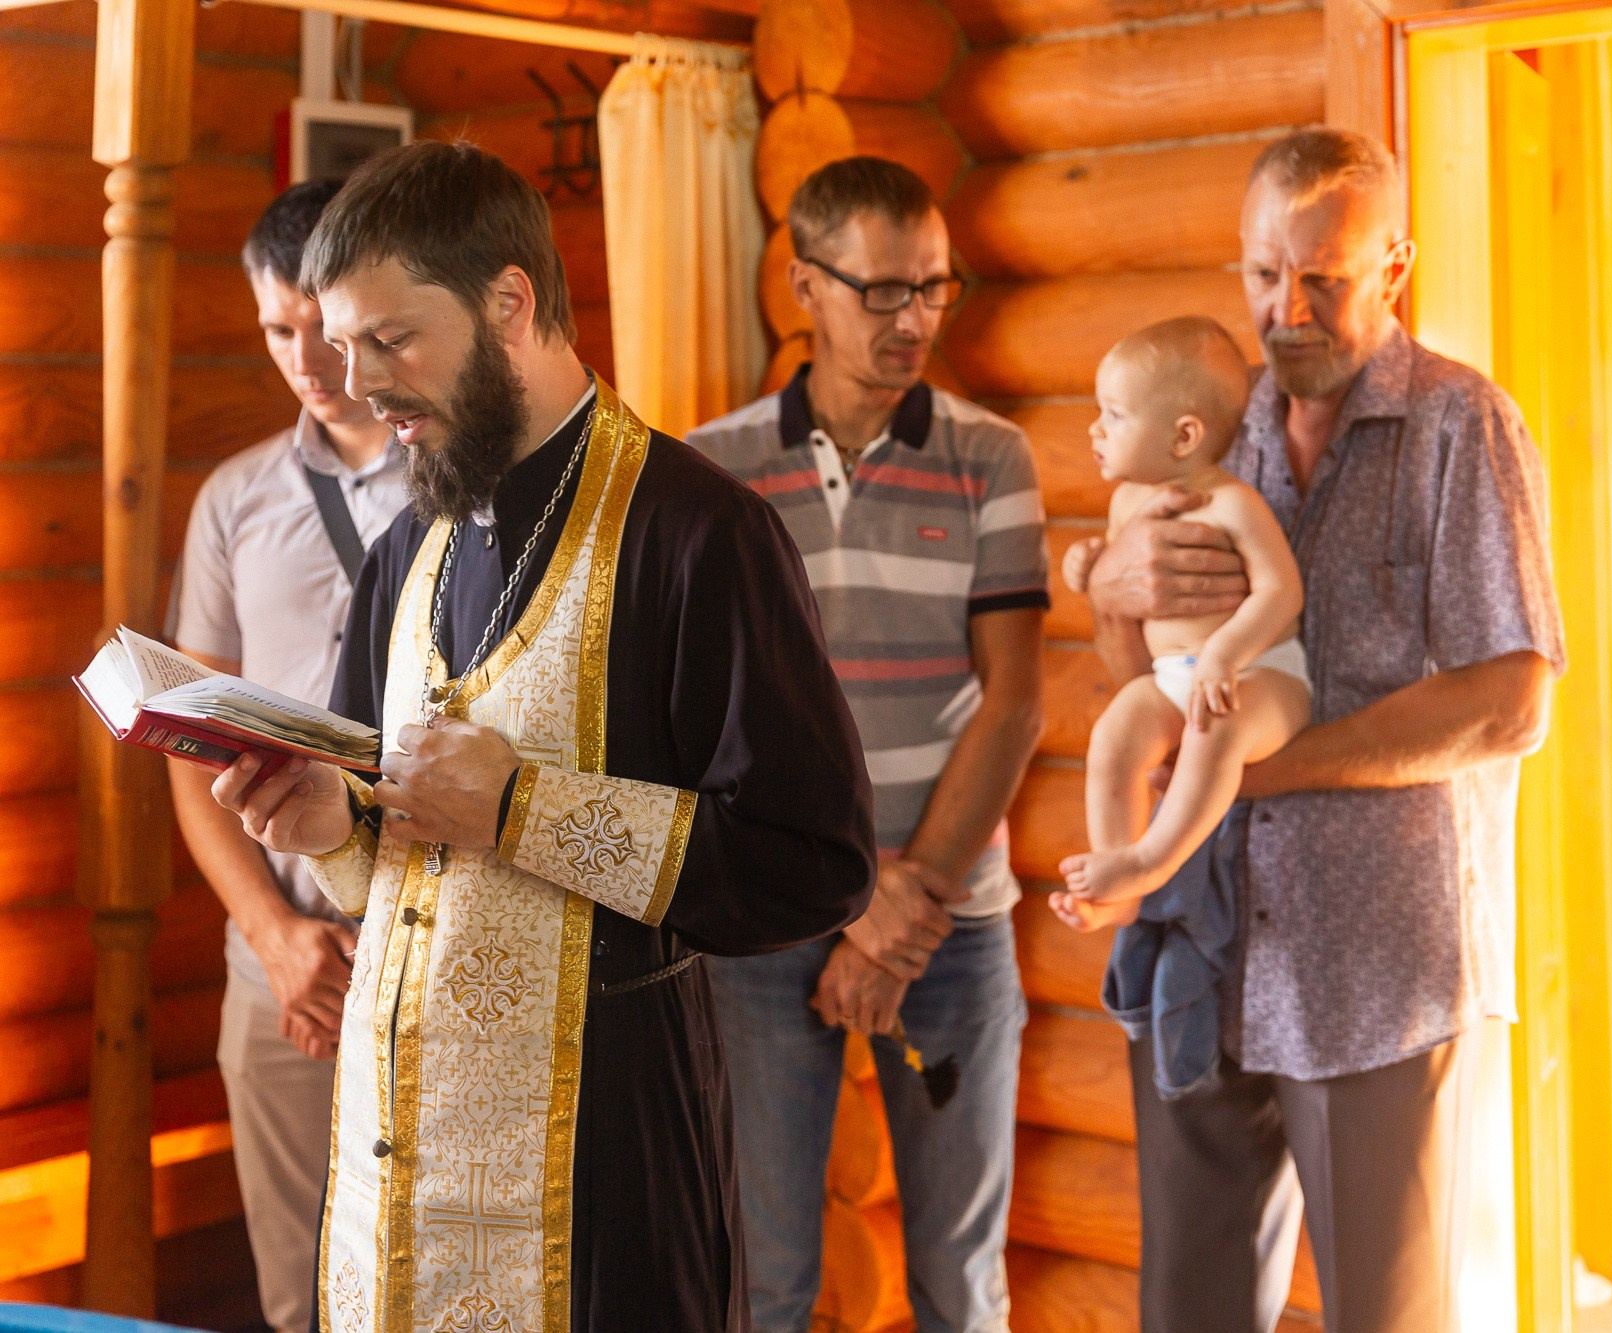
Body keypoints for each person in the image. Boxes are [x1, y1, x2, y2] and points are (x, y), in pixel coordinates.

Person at [207, 140, 876, 1332]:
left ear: (509, 301)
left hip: (603, 1168)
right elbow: (388, 842)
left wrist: (525, 809)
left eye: (390, 341)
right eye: (344, 344)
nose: (358, 385)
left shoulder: (698, 534)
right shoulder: (406, 548)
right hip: (393, 1164)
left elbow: (810, 863)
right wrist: (330, 831)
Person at [1070, 128, 1563, 1332]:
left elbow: (1510, 701)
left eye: (1321, 280)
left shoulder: (1463, 426)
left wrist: (1266, 769)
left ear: (1392, 264)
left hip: (1379, 970)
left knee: (1385, 1317)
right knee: (1188, 1316)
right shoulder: (1208, 426)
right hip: (1206, 947)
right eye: (1258, 275)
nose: (1283, 310)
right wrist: (1105, 597)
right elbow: (1134, 674)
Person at [689, 155, 1046, 1333]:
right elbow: (706, 719)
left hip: (949, 924)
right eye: (880, 290)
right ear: (803, 284)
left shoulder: (990, 454)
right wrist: (849, 903)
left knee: (963, 1282)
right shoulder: (713, 470)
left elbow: (1011, 705)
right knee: (768, 1279)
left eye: (933, 290)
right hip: (766, 919)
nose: (913, 321)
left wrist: (902, 915)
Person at [162, 179, 405, 1333]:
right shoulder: (234, 499)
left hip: (435, 935)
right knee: (300, 1296)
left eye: (318, 319)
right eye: (274, 328)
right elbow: (186, 745)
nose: (303, 355)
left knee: (437, 1279)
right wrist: (274, 936)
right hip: (280, 960)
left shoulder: (469, 481)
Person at [1052, 316, 1308, 922]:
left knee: (1216, 727)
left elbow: (1282, 593)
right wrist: (1089, 565)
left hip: (1262, 676)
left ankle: (1152, 861)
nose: (1095, 428)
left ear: (1184, 436)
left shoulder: (1234, 504)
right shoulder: (1124, 503)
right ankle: (1116, 893)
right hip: (1172, 678)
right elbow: (1121, 593)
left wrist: (1225, 656)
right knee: (1115, 732)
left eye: (1114, 414)